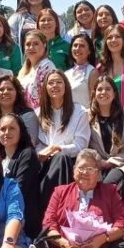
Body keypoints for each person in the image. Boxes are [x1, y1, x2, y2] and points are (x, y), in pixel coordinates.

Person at [35, 149, 124, 248]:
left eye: (90, 169)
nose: (85, 172)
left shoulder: (110, 191)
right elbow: (48, 223)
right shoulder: (60, 192)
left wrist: (103, 238)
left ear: (98, 174)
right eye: (81, 168)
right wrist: (64, 243)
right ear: (73, 171)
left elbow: (122, 224)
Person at [35, 70, 91, 204]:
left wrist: (57, 148)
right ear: (45, 88)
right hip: (43, 163)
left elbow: (81, 145)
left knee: (61, 158)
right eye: (51, 83)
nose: (55, 85)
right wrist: (41, 154)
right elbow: (35, 144)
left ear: (66, 86)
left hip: (69, 163)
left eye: (59, 82)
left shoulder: (79, 112)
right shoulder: (37, 114)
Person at [0, 113, 42, 240]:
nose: (6, 132)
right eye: (3, 129)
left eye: (12, 128)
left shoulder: (27, 155)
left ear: (21, 132)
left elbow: (18, 190)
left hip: (22, 220)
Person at [88, 75, 124, 185]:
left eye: (108, 89)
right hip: (95, 165)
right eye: (99, 89)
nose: (103, 92)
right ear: (94, 94)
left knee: (106, 185)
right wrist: (98, 162)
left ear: (114, 93)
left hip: (118, 164)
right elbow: (85, 146)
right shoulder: (87, 116)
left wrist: (109, 162)